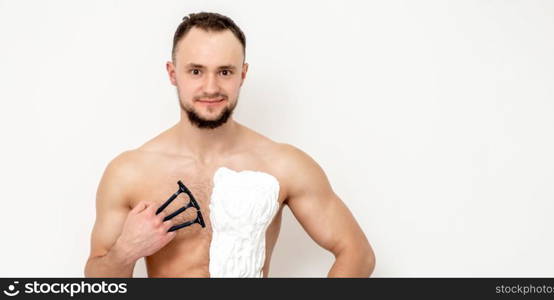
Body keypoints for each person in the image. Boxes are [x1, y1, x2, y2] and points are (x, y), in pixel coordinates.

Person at [84, 12, 375, 278]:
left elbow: (357, 253)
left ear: (242, 75)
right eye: (196, 71)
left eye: (224, 72)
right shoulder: (129, 172)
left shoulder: (282, 165)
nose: (211, 87)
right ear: (173, 74)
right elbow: (97, 281)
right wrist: (126, 251)